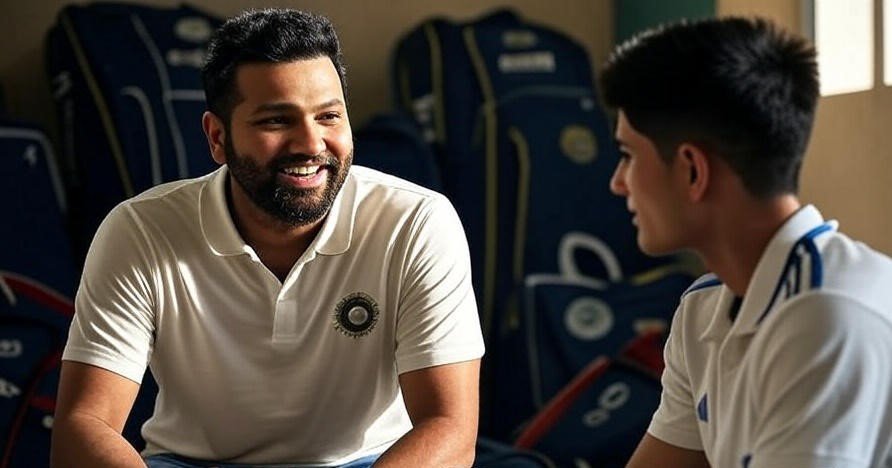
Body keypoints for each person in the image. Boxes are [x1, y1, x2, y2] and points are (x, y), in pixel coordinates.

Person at [50, 8, 484, 468]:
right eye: (277, 121)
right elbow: (83, 424)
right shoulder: (140, 230)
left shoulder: (416, 222)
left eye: (329, 116)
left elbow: (450, 428)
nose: (311, 144)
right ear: (217, 137)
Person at [600, 16, 892, 468]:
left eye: (628, 156)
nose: (618, 183)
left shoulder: (828, 316)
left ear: (693, 170)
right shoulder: (703, 310)